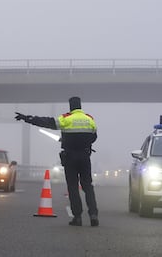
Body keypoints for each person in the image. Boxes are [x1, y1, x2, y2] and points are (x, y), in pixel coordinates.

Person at [14, 97, 99, 227]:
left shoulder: (66, 118)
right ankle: (93, 215)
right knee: (88, 186)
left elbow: (46, 122)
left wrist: (27, 118)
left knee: (73, 187)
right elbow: (94, 137)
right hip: (84, 156)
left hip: (70, 157)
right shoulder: (89, 119)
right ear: (80, 106)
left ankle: (77, 217)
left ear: (70, 106)